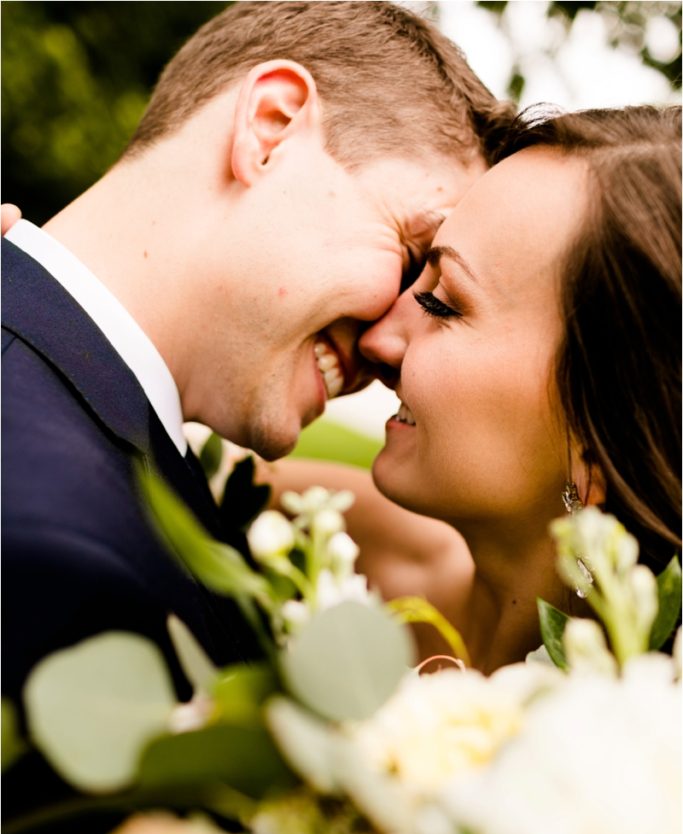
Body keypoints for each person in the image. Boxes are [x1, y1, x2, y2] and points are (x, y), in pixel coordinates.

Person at [2, 2, 514, 700]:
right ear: (269, 127)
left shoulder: (124, 461)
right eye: (410, 257)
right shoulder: (51, 547)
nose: (385, 344)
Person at [264, 104, 682, 672]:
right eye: (419, 275)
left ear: (604, 431)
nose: (377, 339)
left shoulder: (641, 742)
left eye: (444, 303)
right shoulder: (330, 535)